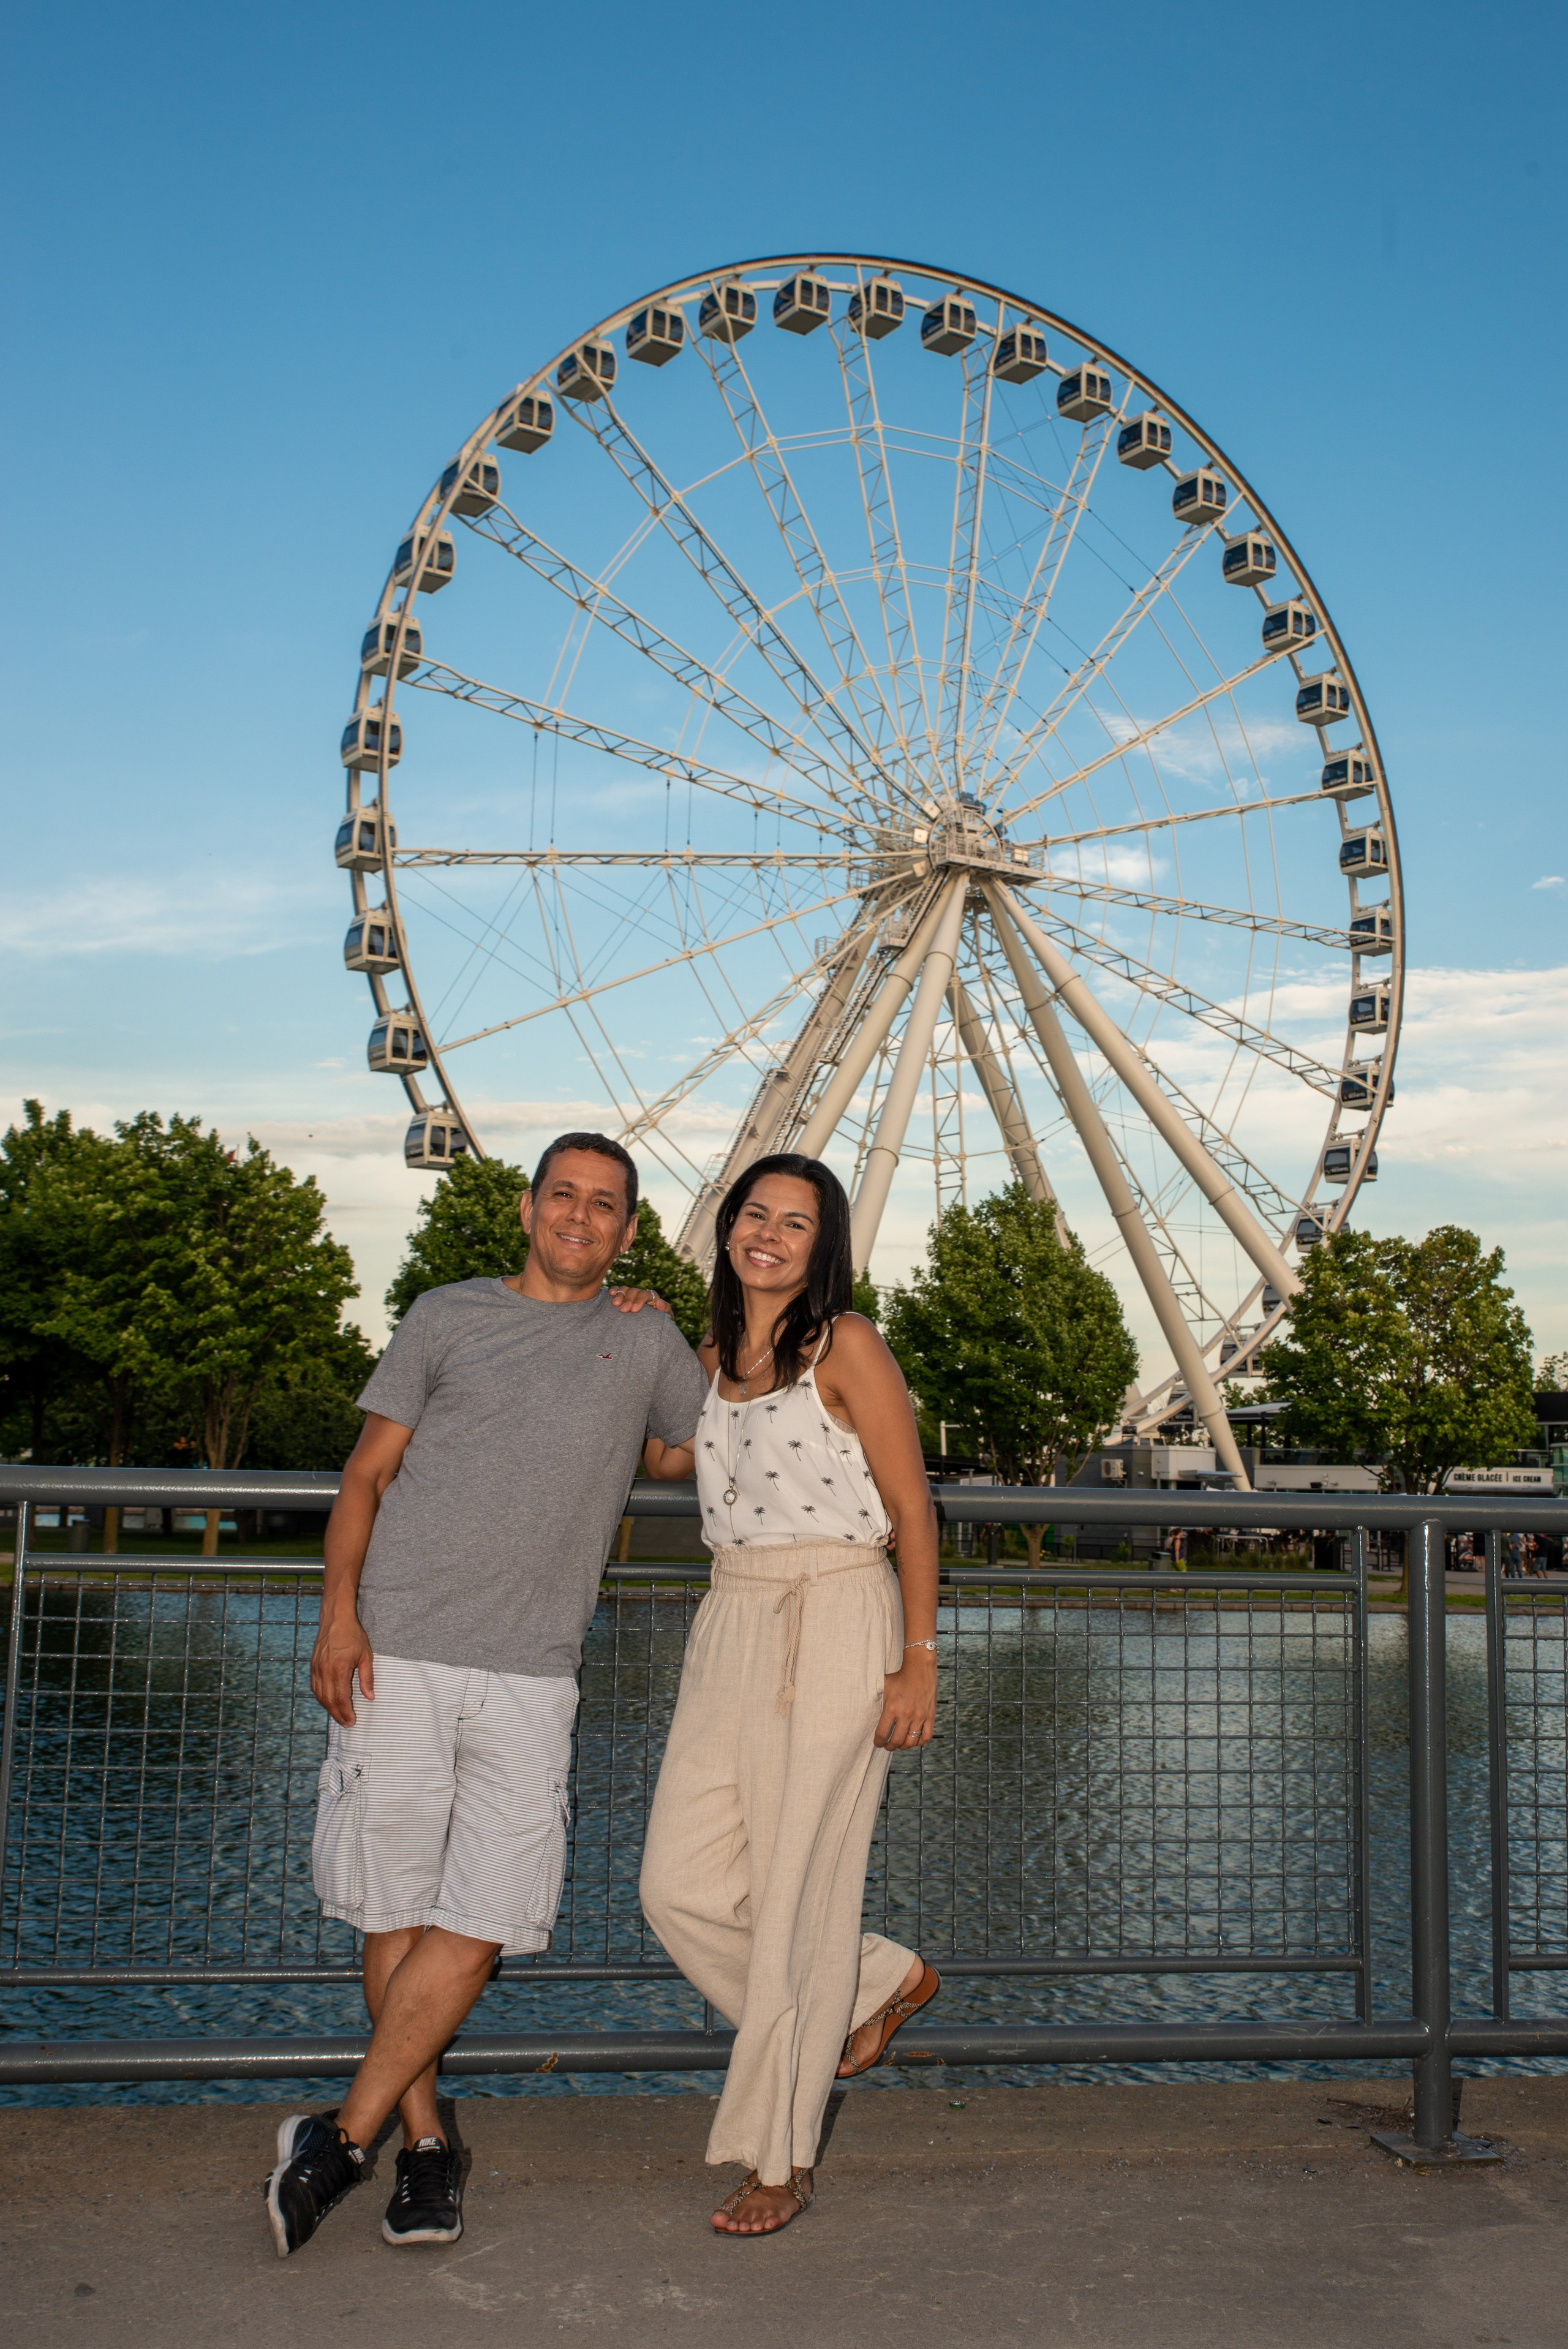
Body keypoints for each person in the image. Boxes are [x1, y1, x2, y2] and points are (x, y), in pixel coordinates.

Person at [264, 1133, 706, 2259]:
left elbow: (686, 1450)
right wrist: (337, 1613)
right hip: (399, 1648)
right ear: (526, 1207)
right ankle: (421, 2149)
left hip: (533, 1669)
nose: (581, 1218)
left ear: (628, 1229)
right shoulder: (444, 1313)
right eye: (564, 1196)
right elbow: (366, 1473)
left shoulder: (645, 1335)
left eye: (606, 1206)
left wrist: (757, 1347)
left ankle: (340, 2138)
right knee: (395, 1905)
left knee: (483, 1919)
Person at [638, 1152, 941, 2238]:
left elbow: (912, 1508)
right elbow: (668, 1460)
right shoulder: (711, 1360)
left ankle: (782, 2157)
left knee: (800, 1896)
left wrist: (918, 1658)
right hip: (731, 1617)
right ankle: (874, 1982)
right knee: (676, 1885)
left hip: (839, 1609)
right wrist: (630, 1330)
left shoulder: (847, 1346)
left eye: (795, 1223)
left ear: (824, 1247)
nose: (769, 1233)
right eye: (754, 1214)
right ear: (728, 1227)